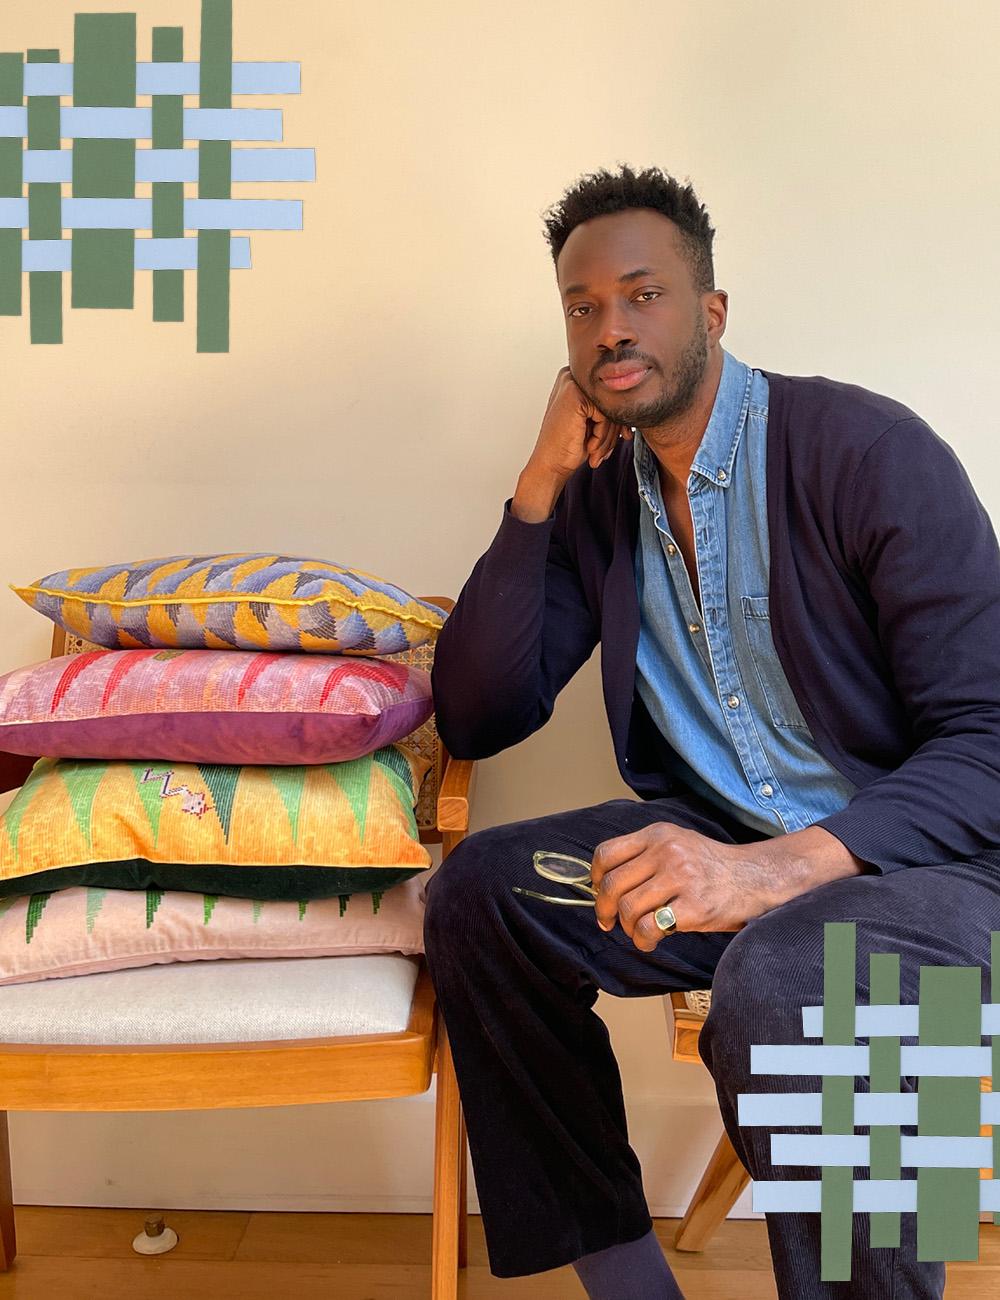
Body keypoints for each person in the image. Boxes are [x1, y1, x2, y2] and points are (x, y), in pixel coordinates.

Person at [422, 163, 1000, 1299]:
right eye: (582, 307)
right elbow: (481, 709)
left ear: (713, 312)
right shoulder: (599, 493)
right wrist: (537, 480)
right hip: (730, 840)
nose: (609, 328)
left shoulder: (865, 449)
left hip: (935, 866)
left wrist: (772, 871)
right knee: (481, 896)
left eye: (642, 294)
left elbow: (988, 743)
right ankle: (627, 1281)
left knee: (797, 978)